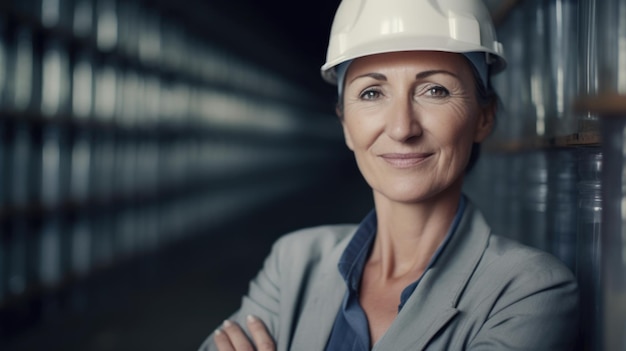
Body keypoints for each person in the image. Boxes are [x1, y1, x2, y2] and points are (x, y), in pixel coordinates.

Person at [198, 0, 579, 350]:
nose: (401, 128)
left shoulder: (528, 290)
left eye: (435, 90)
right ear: (346, 125)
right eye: (371, 94)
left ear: (484, 117)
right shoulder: (294, 261)